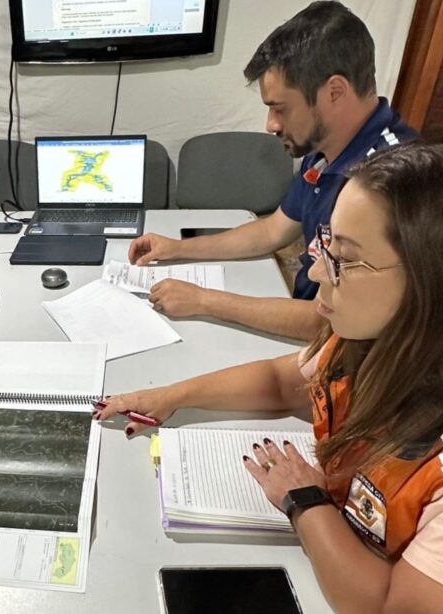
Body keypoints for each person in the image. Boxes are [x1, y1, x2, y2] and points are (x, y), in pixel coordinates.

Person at [97, 143, 443, 611]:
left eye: (343, 259)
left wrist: (305, 501)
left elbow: (392, 607)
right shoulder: (365, 343)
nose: (317, 270)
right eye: (326, 244)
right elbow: (284, 383)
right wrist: (171, 395)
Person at [129, 1, 415, 341]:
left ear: (335, 91)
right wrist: (176, 248)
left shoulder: (392, 182)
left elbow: (331, 322)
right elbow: (271, 232)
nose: (271, 125)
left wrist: (204, 300)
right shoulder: (325, 148)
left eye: (279, 108)